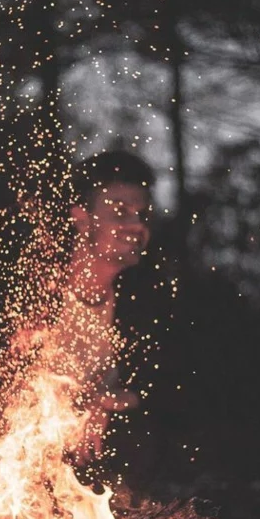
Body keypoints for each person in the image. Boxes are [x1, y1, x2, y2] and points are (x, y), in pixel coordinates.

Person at [51, 149, 157, 468]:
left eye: (144, 214)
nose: (137, 225)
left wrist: (112, 401)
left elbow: (170, 387)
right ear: (82, 219)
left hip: (97, 475)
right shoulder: (33, 293)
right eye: (121, 212)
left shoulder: (146, 301)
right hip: (23, 466)